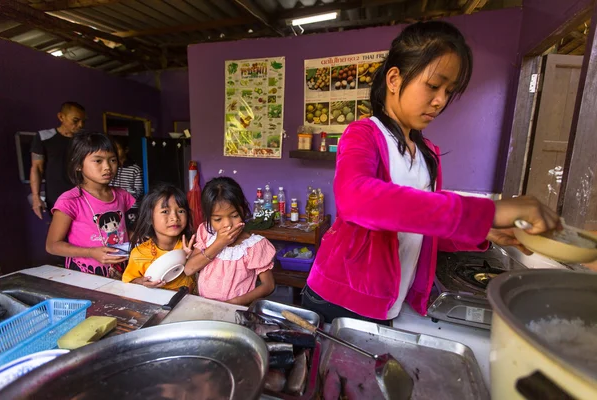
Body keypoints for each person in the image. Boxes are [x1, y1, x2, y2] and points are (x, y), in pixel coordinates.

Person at [303, 21, 560, 324]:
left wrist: (484, 232)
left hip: (391, 301)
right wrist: (488, 212)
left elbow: (423, 222)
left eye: (449, 91)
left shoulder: (428, 154)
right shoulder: (363, 134)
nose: (440, 101)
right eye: (433, 85)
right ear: (395, 79)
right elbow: (356, 200)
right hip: (342, 299)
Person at [46, 131, 135, 278]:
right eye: (98, 161)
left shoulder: (121, 195)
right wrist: (90, 253)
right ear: (78, 165)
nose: (107, 167)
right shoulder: (70, 200)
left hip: (120, 271)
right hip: (84, 275)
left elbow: (121, 231)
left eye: (112, 160)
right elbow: (52, 245)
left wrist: (140, 238)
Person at [184, 177, 275, 305]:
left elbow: (268, 285)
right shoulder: (206, 233)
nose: (227, 224)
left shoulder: (253, 245)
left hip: (237, 308)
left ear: (243, 209)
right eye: (217, 219)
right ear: (208, 218)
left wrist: (236, 302)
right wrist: (219, 243)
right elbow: (189, 269)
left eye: (234, 216)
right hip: (205, 305)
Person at [122, 184, 196, 292]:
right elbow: (128, 282)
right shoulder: (140, 253)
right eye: (165, 211)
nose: (175, 218)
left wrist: (193, 257)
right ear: (149, 218)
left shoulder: (192, 246)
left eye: (180, 211)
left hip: (188, 302)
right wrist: (142, 282)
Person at [30, 102, 86, 219]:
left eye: (83, 121)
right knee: (60, 233)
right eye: (75, 120)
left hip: (82, 193)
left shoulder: (84, 140)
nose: (80, 125)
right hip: (56, 195)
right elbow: (36, 168)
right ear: (61, 117)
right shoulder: (44, 137)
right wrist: (36, 197)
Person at [110, 137, 143, 230]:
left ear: (126, 150)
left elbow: (139, 191)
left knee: (131, 230)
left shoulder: (135, 169)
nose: (114, 152)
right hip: (115, 207)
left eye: (117, 149)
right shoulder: (110, 168)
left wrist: (122, 194)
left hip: (132, 208)